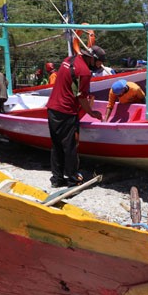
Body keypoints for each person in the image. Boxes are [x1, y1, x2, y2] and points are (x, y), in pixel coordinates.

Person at [46, 45, 104, 188]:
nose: (100, 65)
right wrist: (92, 113)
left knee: (57, 145)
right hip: (66, 111)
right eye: (99, 62)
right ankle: (73, 179)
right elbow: (82, 97)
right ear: (92, 58)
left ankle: (57, 179)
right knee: (70, 146)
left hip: (52, 108)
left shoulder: (69, 59)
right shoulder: (84, 72)